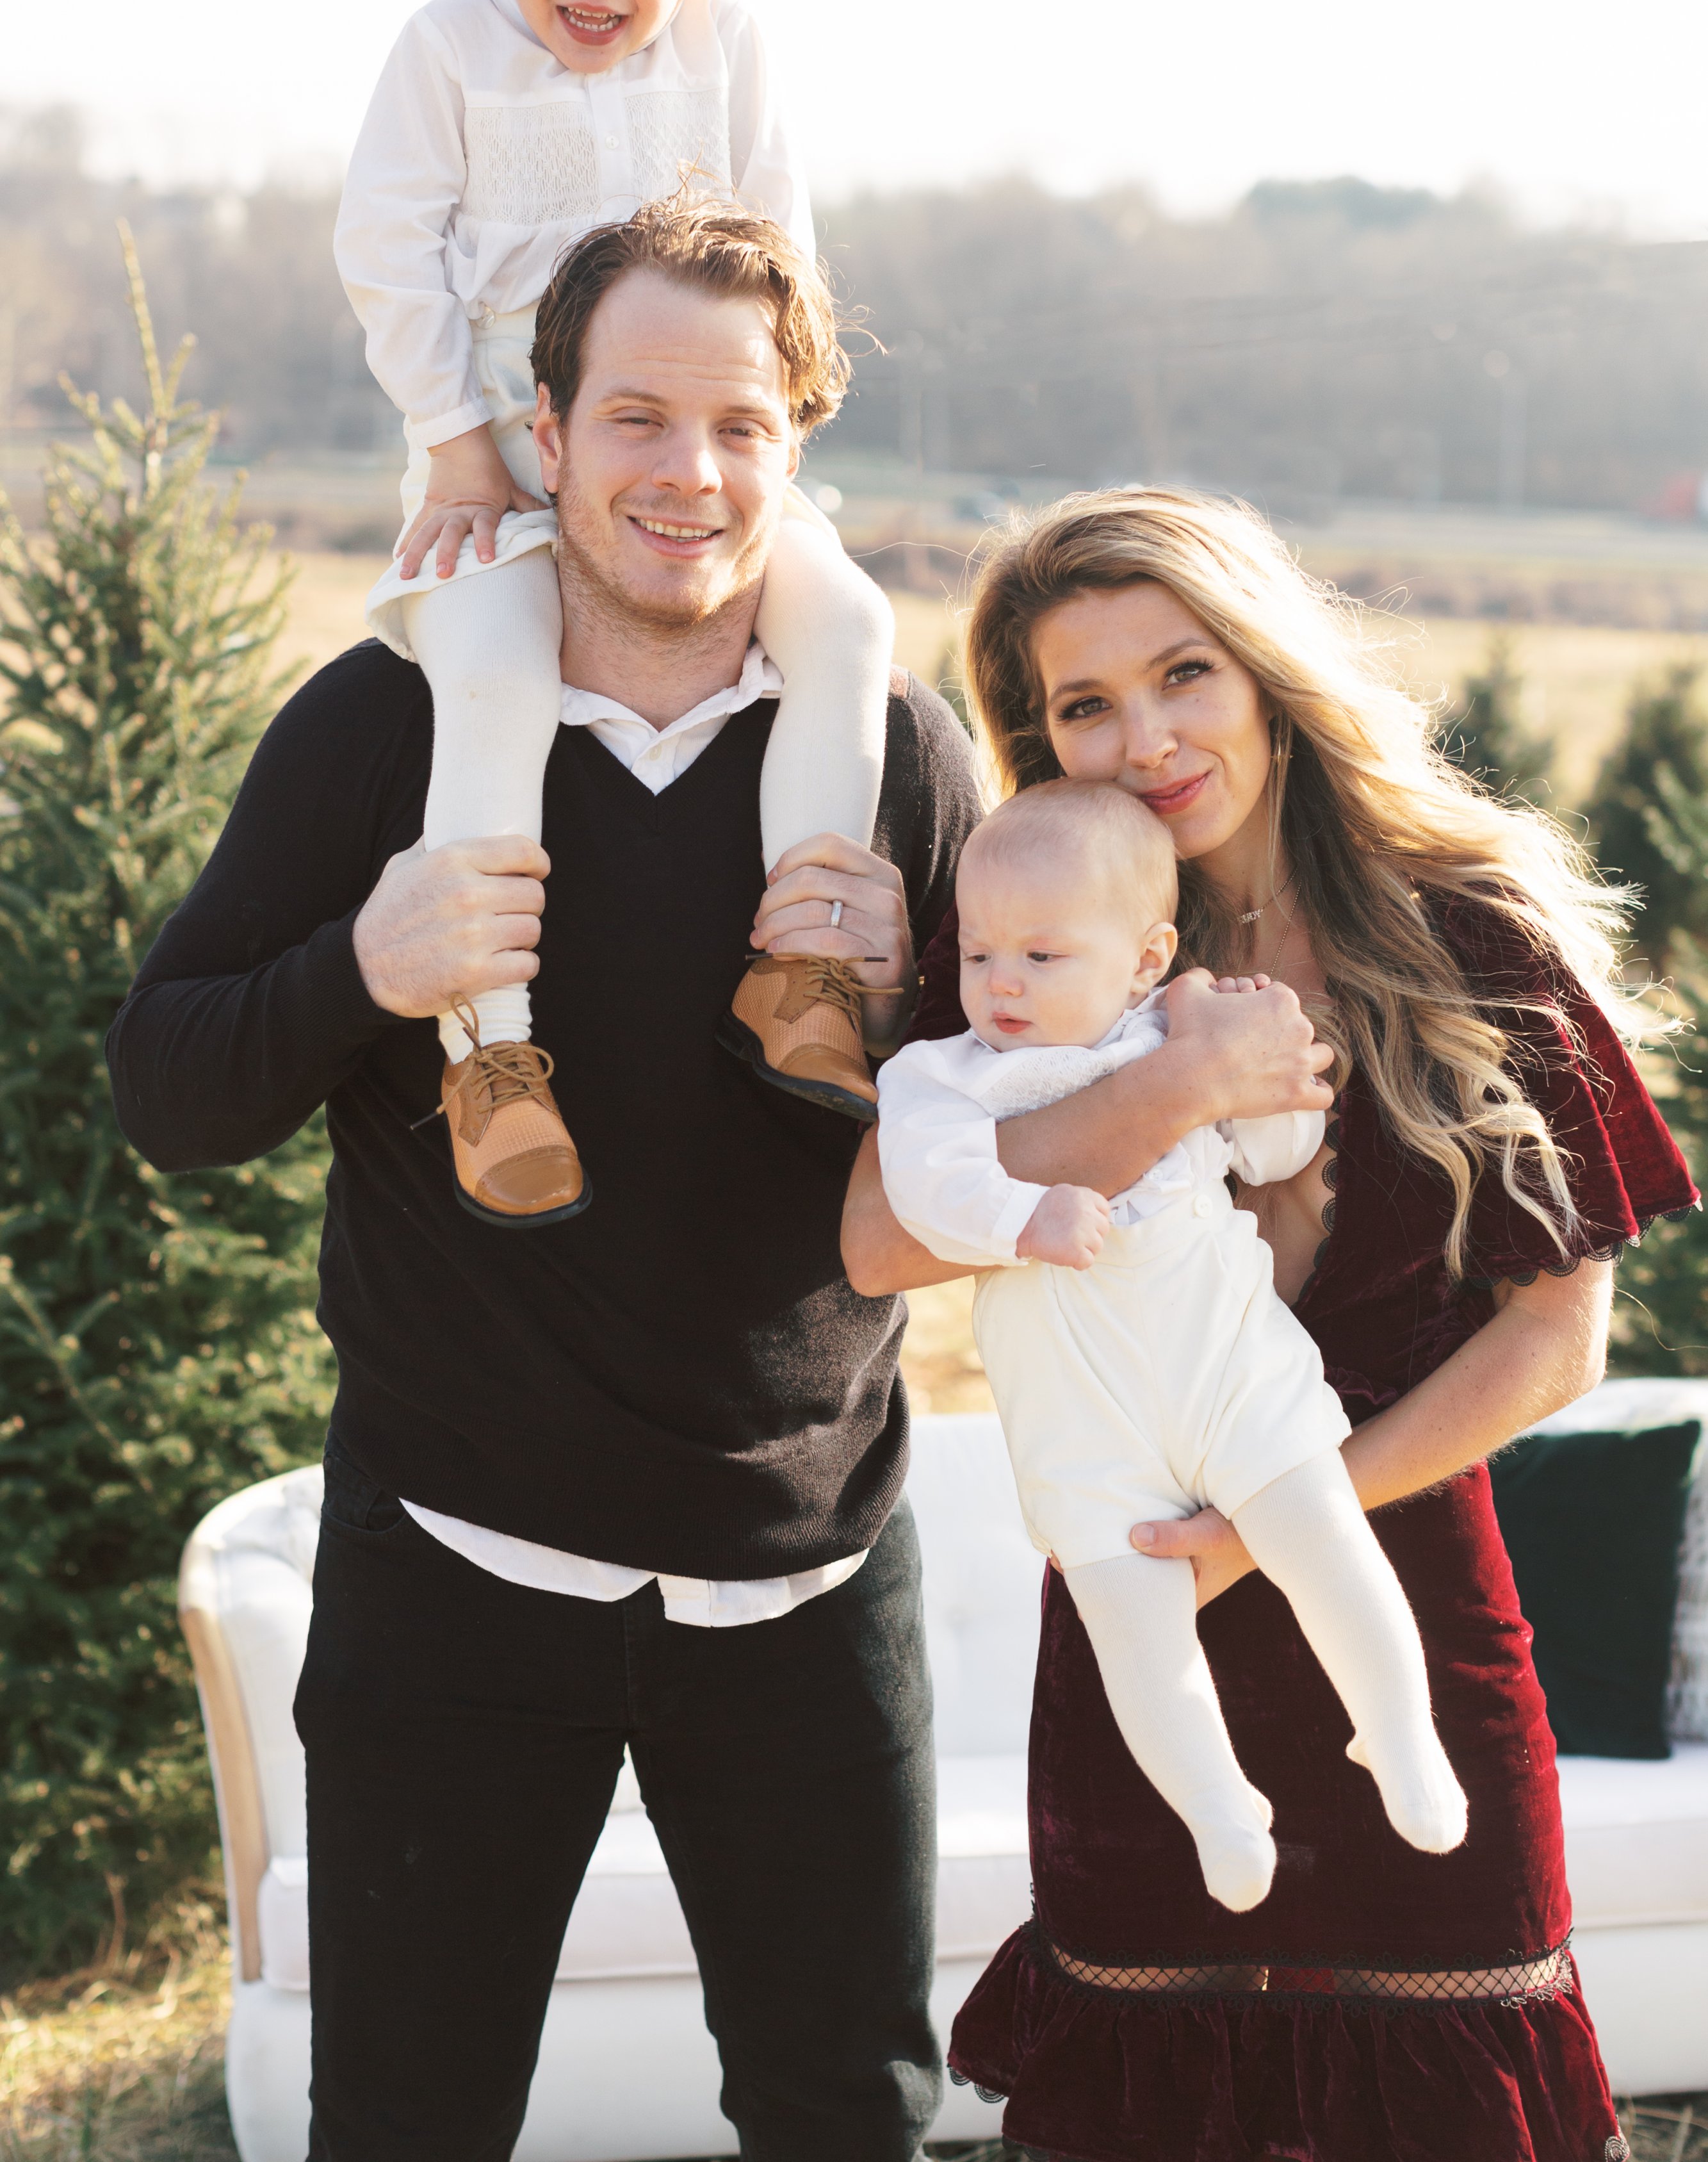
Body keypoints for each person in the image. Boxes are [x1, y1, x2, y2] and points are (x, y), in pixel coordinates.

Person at [106, 200, 980, 2162]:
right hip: (458, 1566)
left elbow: (976, 1136)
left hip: (809, 1566)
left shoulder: (897, 755)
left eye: (742, 425)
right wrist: (365, 968)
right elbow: (166, 1088)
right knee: (408, 2122)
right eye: (639, 417)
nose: (689, 472)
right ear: (549, 427)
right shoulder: (389, 726)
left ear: (799, 439)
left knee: (847, 2114)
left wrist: (916, 991)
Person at [842, 486, 1696, 2162]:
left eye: (1183, 674)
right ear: (1038, 739)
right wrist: (1166, 1087)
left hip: (1389, 1583)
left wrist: (1265, 1520)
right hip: (1139, 1609)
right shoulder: (1031, 945)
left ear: (1263, 673)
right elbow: (878, 1238)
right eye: (1083, 705)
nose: (1145, 735)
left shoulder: (1465, 936)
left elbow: (1552, 1338)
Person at [334, 0, 894, 1222]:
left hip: (694, 474)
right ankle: (490, 1052)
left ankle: (801, 970)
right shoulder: (448, 49)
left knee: (846, 626)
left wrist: (762, 433)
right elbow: (387, 248)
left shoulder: (726, 48)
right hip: (502, 482)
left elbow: (779, 247)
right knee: (500, 678)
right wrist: (455, 441)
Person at [875, 780, 1465, 1915]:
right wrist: (1021, 1216)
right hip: (1086, 1432)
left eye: (1043, 958)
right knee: (1137, 1642)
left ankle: (1398, 1733)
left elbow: (1280, 1143)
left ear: (1145, 959)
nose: (1000, 982)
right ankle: (1221, 1811)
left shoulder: (1172, 1032)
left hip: (1235, 1382)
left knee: (1333, 1552)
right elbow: (924, 1190)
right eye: (982, 953)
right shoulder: (941, 1079)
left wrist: (1257, 1052)